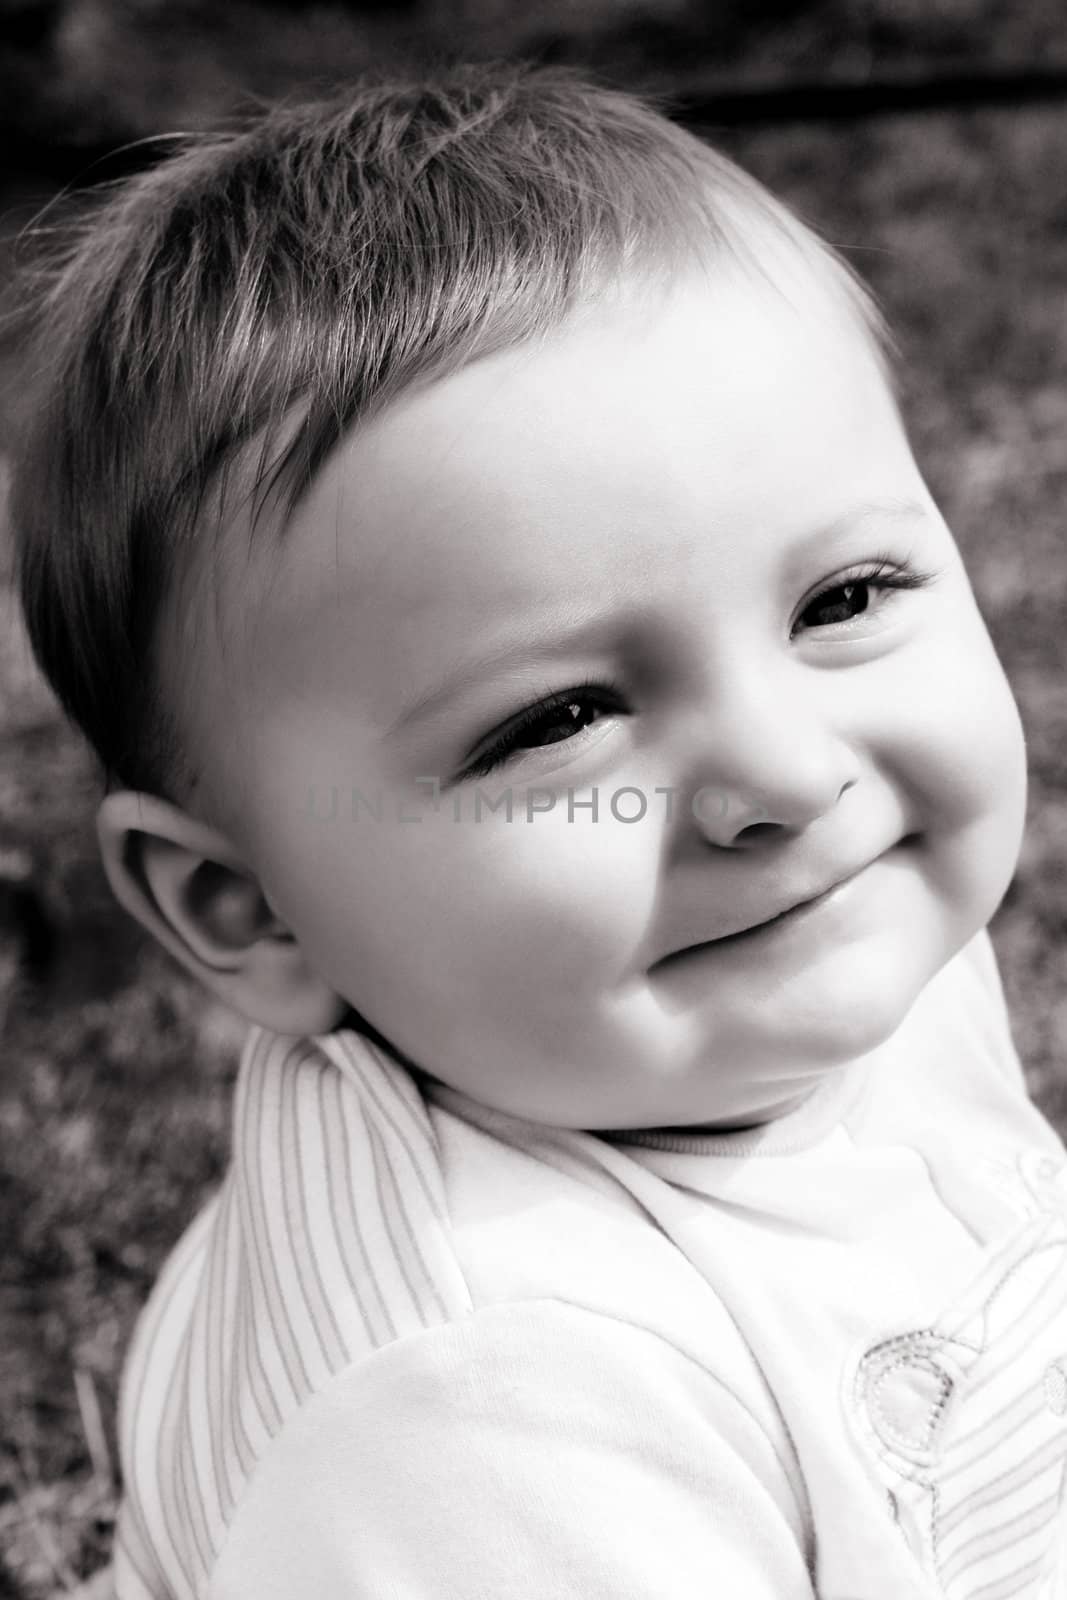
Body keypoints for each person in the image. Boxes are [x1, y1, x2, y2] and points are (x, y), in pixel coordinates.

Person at [13, 59, 1067, 1600]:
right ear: (253, 910)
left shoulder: (823, 937)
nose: (784, 774)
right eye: (559, 720)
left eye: (841, 600)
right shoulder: (493, 1421)